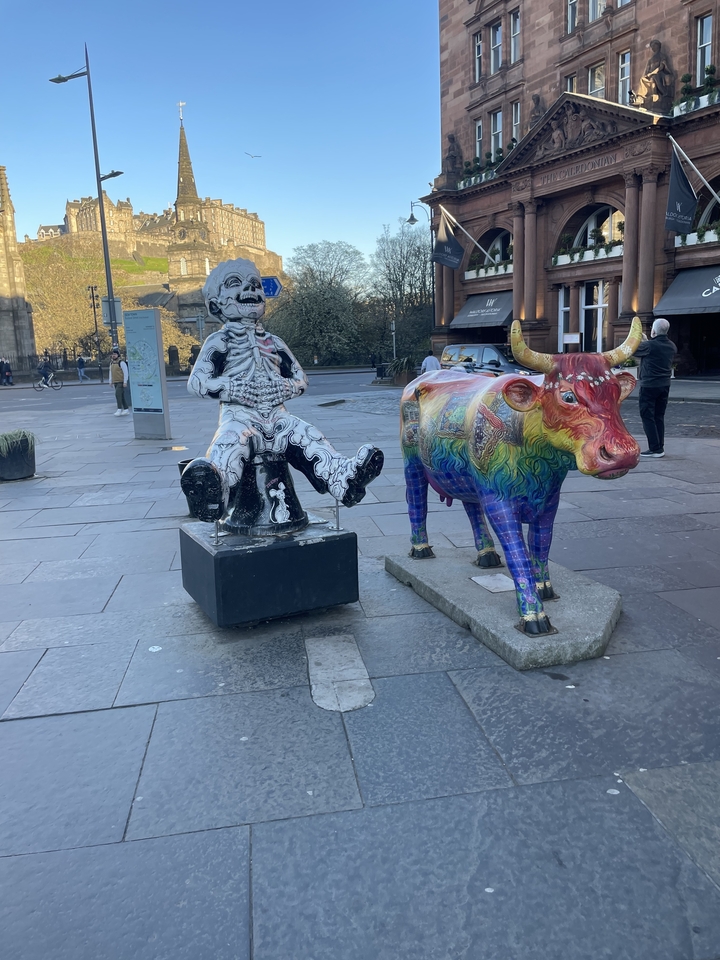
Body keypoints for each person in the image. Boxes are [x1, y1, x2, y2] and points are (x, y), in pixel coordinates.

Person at [181, 257, 384, 522]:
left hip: (279, 419)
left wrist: (285, 387)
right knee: (229, 444)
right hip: (240, 419)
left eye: (255, 284)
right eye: (235, 284)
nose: (251, 290)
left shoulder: (274, 342)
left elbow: (300, 378)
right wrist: (231, 387)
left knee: (309, 435)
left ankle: (343, 478)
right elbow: (196, 382)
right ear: (215, 304)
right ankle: (215, 491)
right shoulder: (218, 341)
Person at [635, 317, 677, 458]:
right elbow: (654, 348)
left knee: (647, 415)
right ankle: (660, 447)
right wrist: (647, 340)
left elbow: (633, 350)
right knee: (659, 416)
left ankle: (655, 448)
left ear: (653, 330)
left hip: (649, 385)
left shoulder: (649, 346)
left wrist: (640, 339)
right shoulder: (672, 345)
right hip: (665, 385)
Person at [109, 349, 130, 416]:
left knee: (117, 394)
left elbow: (125, 372)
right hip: (115, 381)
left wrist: (125, 381)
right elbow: (111, 372)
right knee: (122, 396)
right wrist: (110, 381)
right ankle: (126, 409)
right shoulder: (112, 363)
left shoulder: (121, 363)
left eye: (115, 354)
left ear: (118, 355)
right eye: (112, 354)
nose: (113, 356)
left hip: (120, 382)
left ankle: (119, 409)